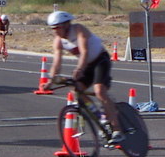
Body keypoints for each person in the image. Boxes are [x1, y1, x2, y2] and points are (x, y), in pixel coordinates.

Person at [43, 11, 123, 144]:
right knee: (76, 90)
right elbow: (57, 62)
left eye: (58, 27)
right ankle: (101, 117)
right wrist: (50, 81)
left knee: (99, 91)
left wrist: (79, 69)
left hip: (100, 60)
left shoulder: (79, 29)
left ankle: (117, 129)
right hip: (87, 65)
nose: (56, 31)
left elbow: (84, 51)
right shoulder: (58, 41)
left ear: (67, 25)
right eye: (53, 28)